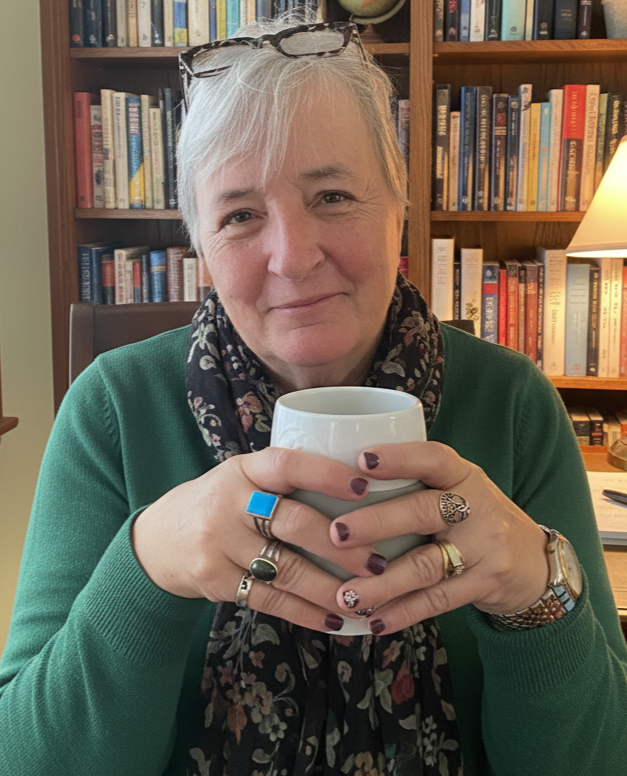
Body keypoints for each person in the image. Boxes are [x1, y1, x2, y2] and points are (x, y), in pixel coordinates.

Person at [1, 13, 627, 776]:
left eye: (331, 195)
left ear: (397, 204)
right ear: (202, 249)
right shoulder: (113, 410)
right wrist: (147, 565)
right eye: (239, 215)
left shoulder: (512, 404)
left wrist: (534, 592)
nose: (292, 257)